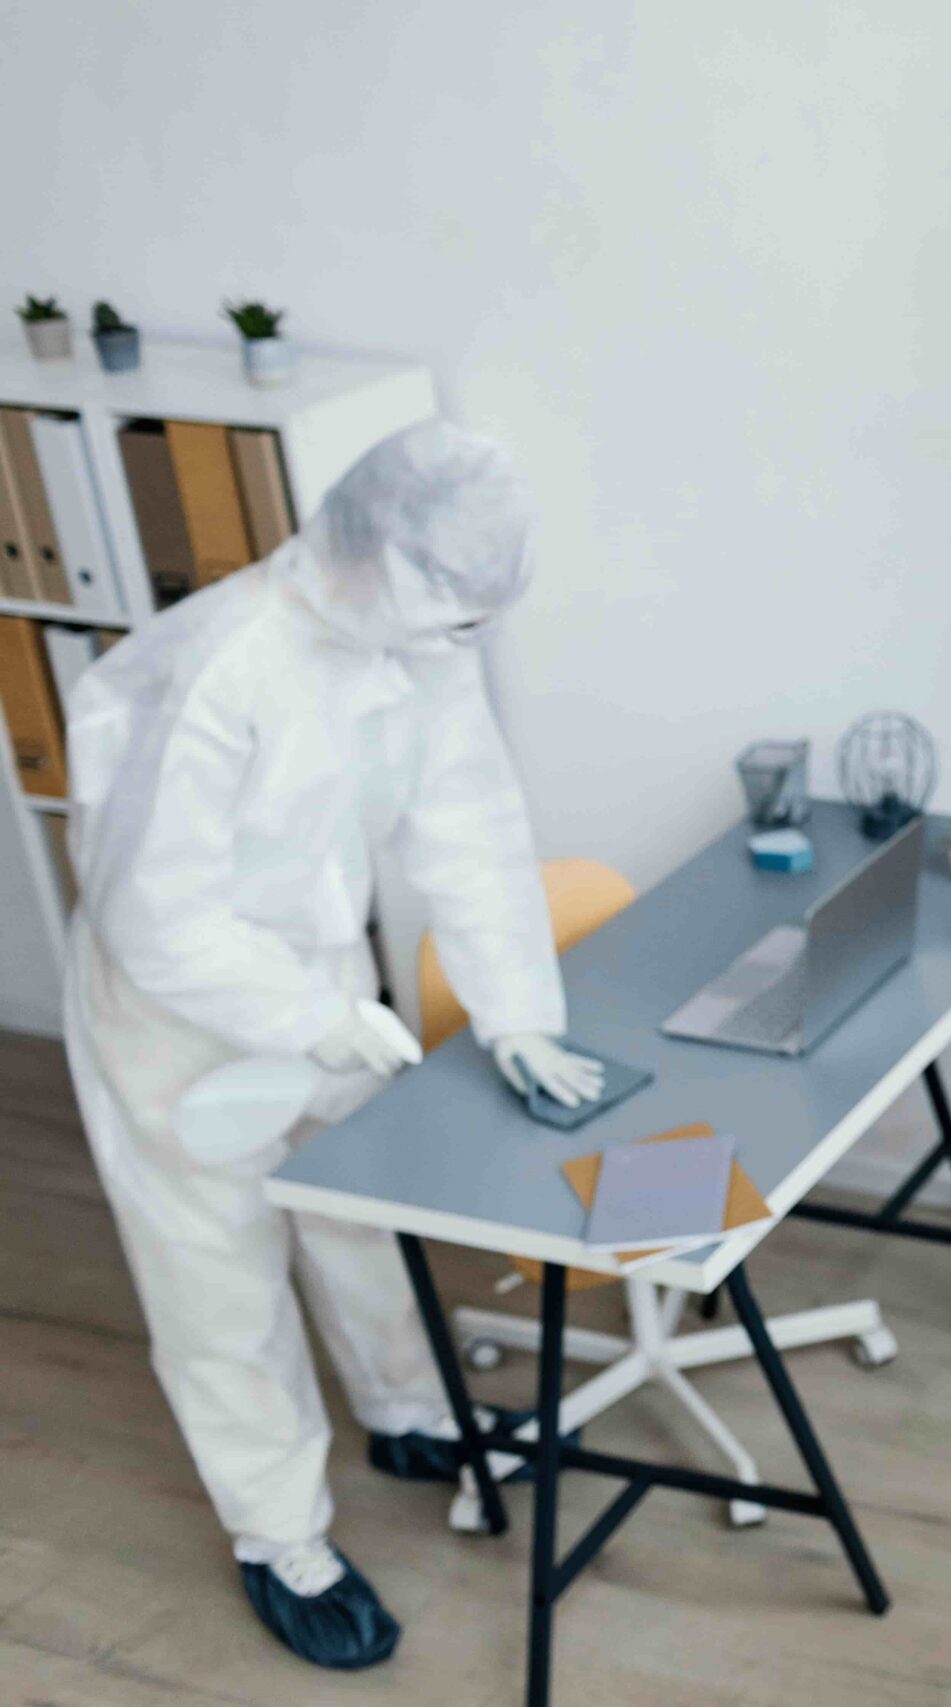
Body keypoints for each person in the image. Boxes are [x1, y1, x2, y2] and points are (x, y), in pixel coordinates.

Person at [59, 421, 603, 1670]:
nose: (466, 637)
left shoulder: (417, 642)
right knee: (220, 1275)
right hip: (174, 1013)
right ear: (385, 560)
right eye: (455, 612)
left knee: (358, 1217)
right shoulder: (217, 665)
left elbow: (470, 824)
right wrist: (320, 1021)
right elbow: (158, 919)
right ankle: (279, 1534)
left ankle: (408, 1413)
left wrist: (517, 1013)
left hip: (319, 974)